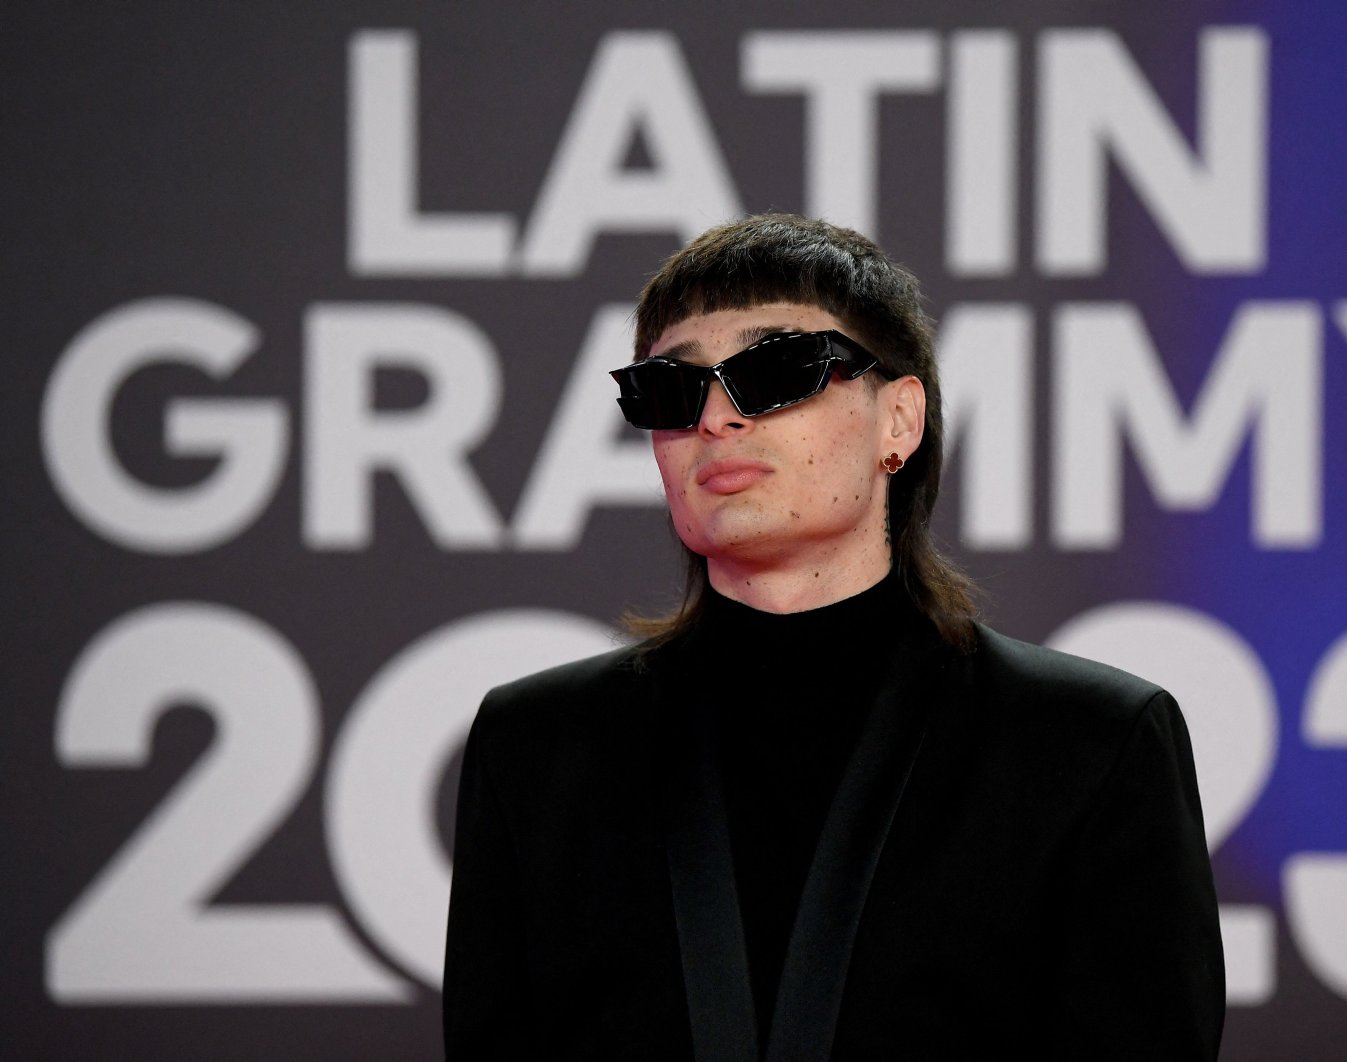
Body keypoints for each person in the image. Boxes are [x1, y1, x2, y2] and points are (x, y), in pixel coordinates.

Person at [443, 214, 1224, 1060]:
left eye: (775, 369)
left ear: (900, 420)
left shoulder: (1089, 745)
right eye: (672, 389)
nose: (715, 418)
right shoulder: (537, 747)